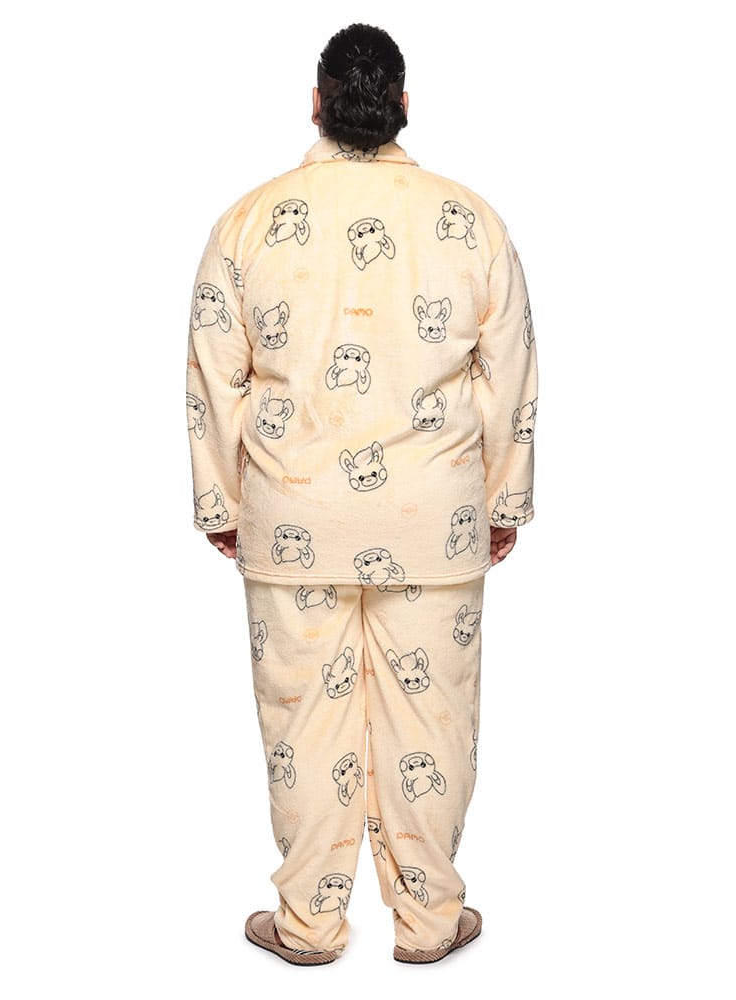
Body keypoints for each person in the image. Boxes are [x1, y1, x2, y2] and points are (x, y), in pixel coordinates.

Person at [185, 22, 538, 966]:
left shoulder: (247, 220)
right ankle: (429, 922)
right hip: (435, 518)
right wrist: (503, 503)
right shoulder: (471, 219)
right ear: (404, 105)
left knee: (302, 721)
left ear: (316, 102)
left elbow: (215, 374)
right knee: (435, 719)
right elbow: (510, 371)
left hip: (293, 516)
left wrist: (222, 503)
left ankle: (307, 924)